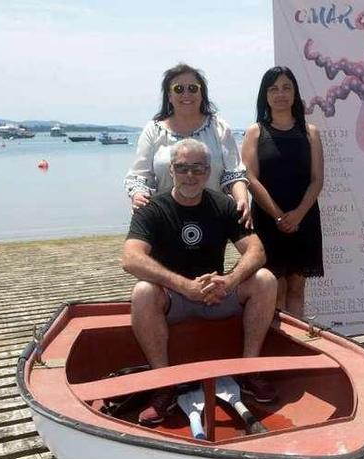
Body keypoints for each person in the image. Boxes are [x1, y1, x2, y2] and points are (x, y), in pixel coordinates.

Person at [122, 138, 278, 425]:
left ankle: (249, 371)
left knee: (265, 280)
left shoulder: (224, 205)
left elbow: (257, 251)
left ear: (208, 171)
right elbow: (130, 259)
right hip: (174, 299)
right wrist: (184, 286)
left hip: (217, 294)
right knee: (143, 292)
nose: (190, 175)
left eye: (197, 168)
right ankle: (164, 386)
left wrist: (230, 281)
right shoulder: (153, 209)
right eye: (182, 168)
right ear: (172, 170)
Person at [240, 66, 324, 317]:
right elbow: (250, 178)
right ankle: (275, 345)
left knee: (297, 289)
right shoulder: (255, 132)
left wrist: (297, 215)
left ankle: (295, 344)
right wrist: (277, 215)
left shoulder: (311, 133)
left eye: (287, 87)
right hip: (267, 219)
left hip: (304, 218)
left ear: (295, 93)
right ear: (265, 95)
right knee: (275, 288)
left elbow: (317, 180)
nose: (281, 94)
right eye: (273, 88)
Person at [124, 63, 252, 227]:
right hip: (166, 219)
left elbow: (234, 174)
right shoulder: (153, 130)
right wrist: (138, 194)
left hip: (212, 218)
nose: (186, 94)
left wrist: (242, 200)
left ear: (201, 93)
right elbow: (140, 176)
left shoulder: (219, 127)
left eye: (193, 88)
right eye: (179, 89)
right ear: (169, 95)